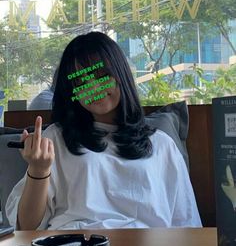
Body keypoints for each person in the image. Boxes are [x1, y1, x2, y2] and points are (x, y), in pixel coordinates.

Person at [6, 32, 202, 230]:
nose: (93, 87)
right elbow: (27, 227)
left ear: (120, 75)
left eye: (101, 76)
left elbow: (187, 223)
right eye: (81, 82)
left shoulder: (162, 144)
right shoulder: (55, 139)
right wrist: (39, 169)